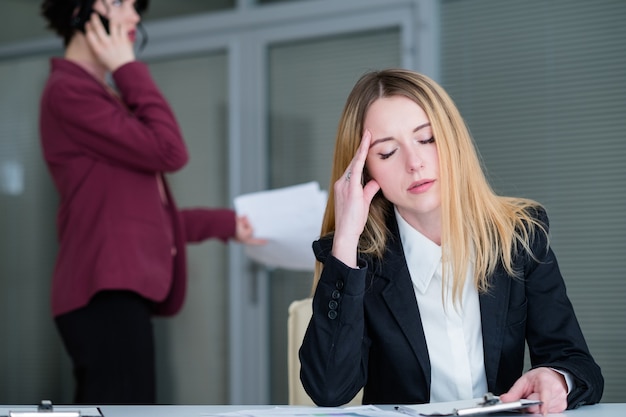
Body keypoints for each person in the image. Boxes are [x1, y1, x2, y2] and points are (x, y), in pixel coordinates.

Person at [299, 69, 604, 414]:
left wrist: (556, 377)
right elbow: (328, 390)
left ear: (452, 140)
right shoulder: (360, 259)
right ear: (365, 171)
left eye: (426, 139)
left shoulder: (518, 236)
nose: (415, 164)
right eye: (387, 153)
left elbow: (578, 364)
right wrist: (346, 241)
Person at [39, 0, 264, 404]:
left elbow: (140, 217)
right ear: (79, 12)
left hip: (111, 293)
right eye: (119, 3)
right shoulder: (70, 93)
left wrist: (226, 224)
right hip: (101, 293)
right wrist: (128, 67)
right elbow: (170, 150)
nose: (134, 16)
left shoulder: (96, 94)